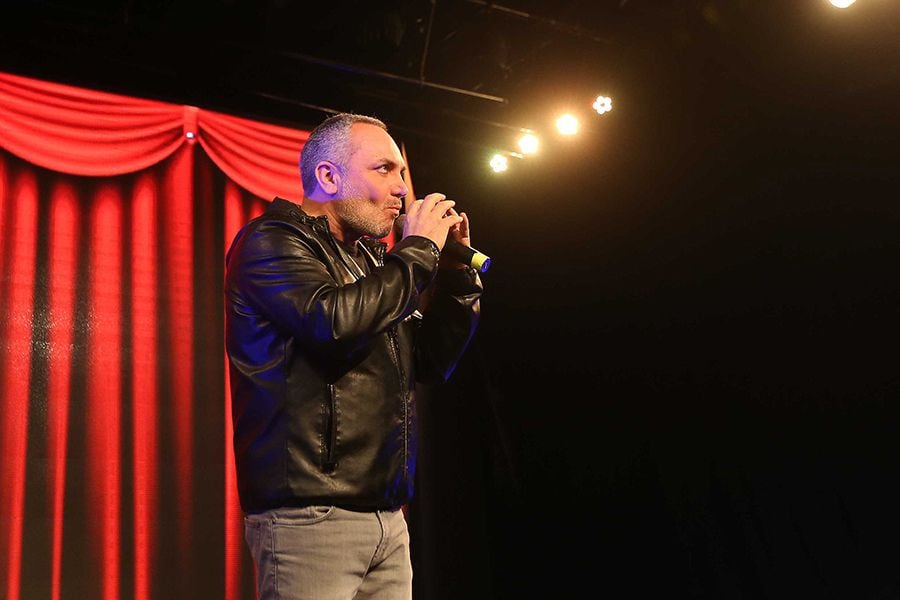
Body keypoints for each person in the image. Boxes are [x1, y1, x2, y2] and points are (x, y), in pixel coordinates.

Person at [224, 112, 483, 600]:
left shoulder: (373, 264)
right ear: (327, 176)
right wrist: (419, 251)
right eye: (385, 170)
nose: (402, 191)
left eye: (403, 174)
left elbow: (428, 362)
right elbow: (333, 321)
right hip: (311, 518)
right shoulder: (271, 242)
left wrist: (453, 277)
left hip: (387, 518)